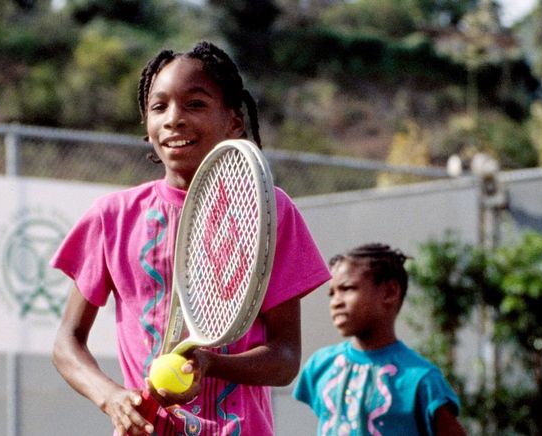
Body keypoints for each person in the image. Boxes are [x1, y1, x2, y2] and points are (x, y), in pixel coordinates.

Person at [50, 41, 331, 436]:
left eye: (195, 104)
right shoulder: (111, 217)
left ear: (234, 121)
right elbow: (67, 343)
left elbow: (285, 360)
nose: (174, 119)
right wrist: (112, 398)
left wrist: (213, 364)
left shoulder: (269, 210)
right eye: (159, 107)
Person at [293, 243, 466, 436]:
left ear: (390, 292)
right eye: (331, 293)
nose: (336, 302)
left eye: (348, 288)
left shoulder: (421, 379)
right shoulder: (321, 365)